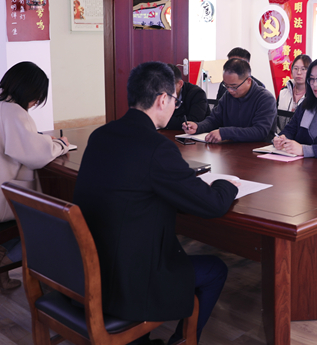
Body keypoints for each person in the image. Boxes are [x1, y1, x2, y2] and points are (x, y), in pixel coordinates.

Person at [73, 61, 239, 345]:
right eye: (175, 100)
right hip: (129, 281)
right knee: (215, 269)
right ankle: (181, 341)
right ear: (163, 99)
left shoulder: (101, 134)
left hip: (88, 269)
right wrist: (227, 184)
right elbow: (212, 205)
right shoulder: (157, 147)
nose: (175, 106)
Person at [0, 61, 70, 293]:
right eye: (37, 96)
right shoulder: (13, 112)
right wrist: (60, 144)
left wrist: (41, 140)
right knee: (51, 220)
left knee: (40, 213)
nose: (36, 102)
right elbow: (36, 155)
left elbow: (20, 144)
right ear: (29, 90)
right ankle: (2, 262)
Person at [183, 58, 277, 143]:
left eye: (234, 86)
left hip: (257, 150)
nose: (230, 90)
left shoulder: (265, 99)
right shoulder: (228, 96)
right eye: (226, 85)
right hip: (230, 148)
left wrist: (225, 133)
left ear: (248, 81)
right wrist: (198, 127)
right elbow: (214, 120)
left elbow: (259, 132)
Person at [164, 64, 209, 130]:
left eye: (168, 87)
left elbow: (193, 122)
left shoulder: (197, 93)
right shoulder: (158, 94)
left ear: (180, 84)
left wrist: (161, 121)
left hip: (192, 134)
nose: (164, 90)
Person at [276, 54, 311, 131]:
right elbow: (275, 119)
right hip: (281, 136)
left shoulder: (313, 96)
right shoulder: (283, 92)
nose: (299, 72)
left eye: (303, 69)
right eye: (296, 68)